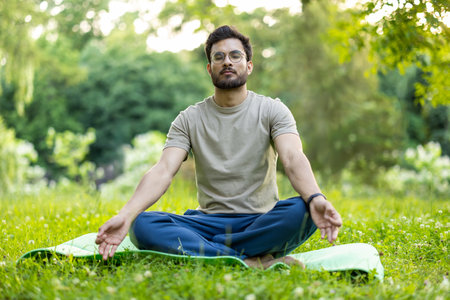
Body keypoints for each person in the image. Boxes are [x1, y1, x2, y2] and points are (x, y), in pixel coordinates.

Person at [95, 25, 342, 269]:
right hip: (207, 222)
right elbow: (163, 170)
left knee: (304, 209)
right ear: (209, 68)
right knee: (143, 225)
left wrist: (316, 197)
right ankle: (251, 260)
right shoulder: (188, 118)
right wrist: (126, 215)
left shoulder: (272, 110)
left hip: (261, 222)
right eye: (219, 57)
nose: (227, 62)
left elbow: (292, 156)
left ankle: (209, 250)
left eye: (236, 55)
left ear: (249, 65)